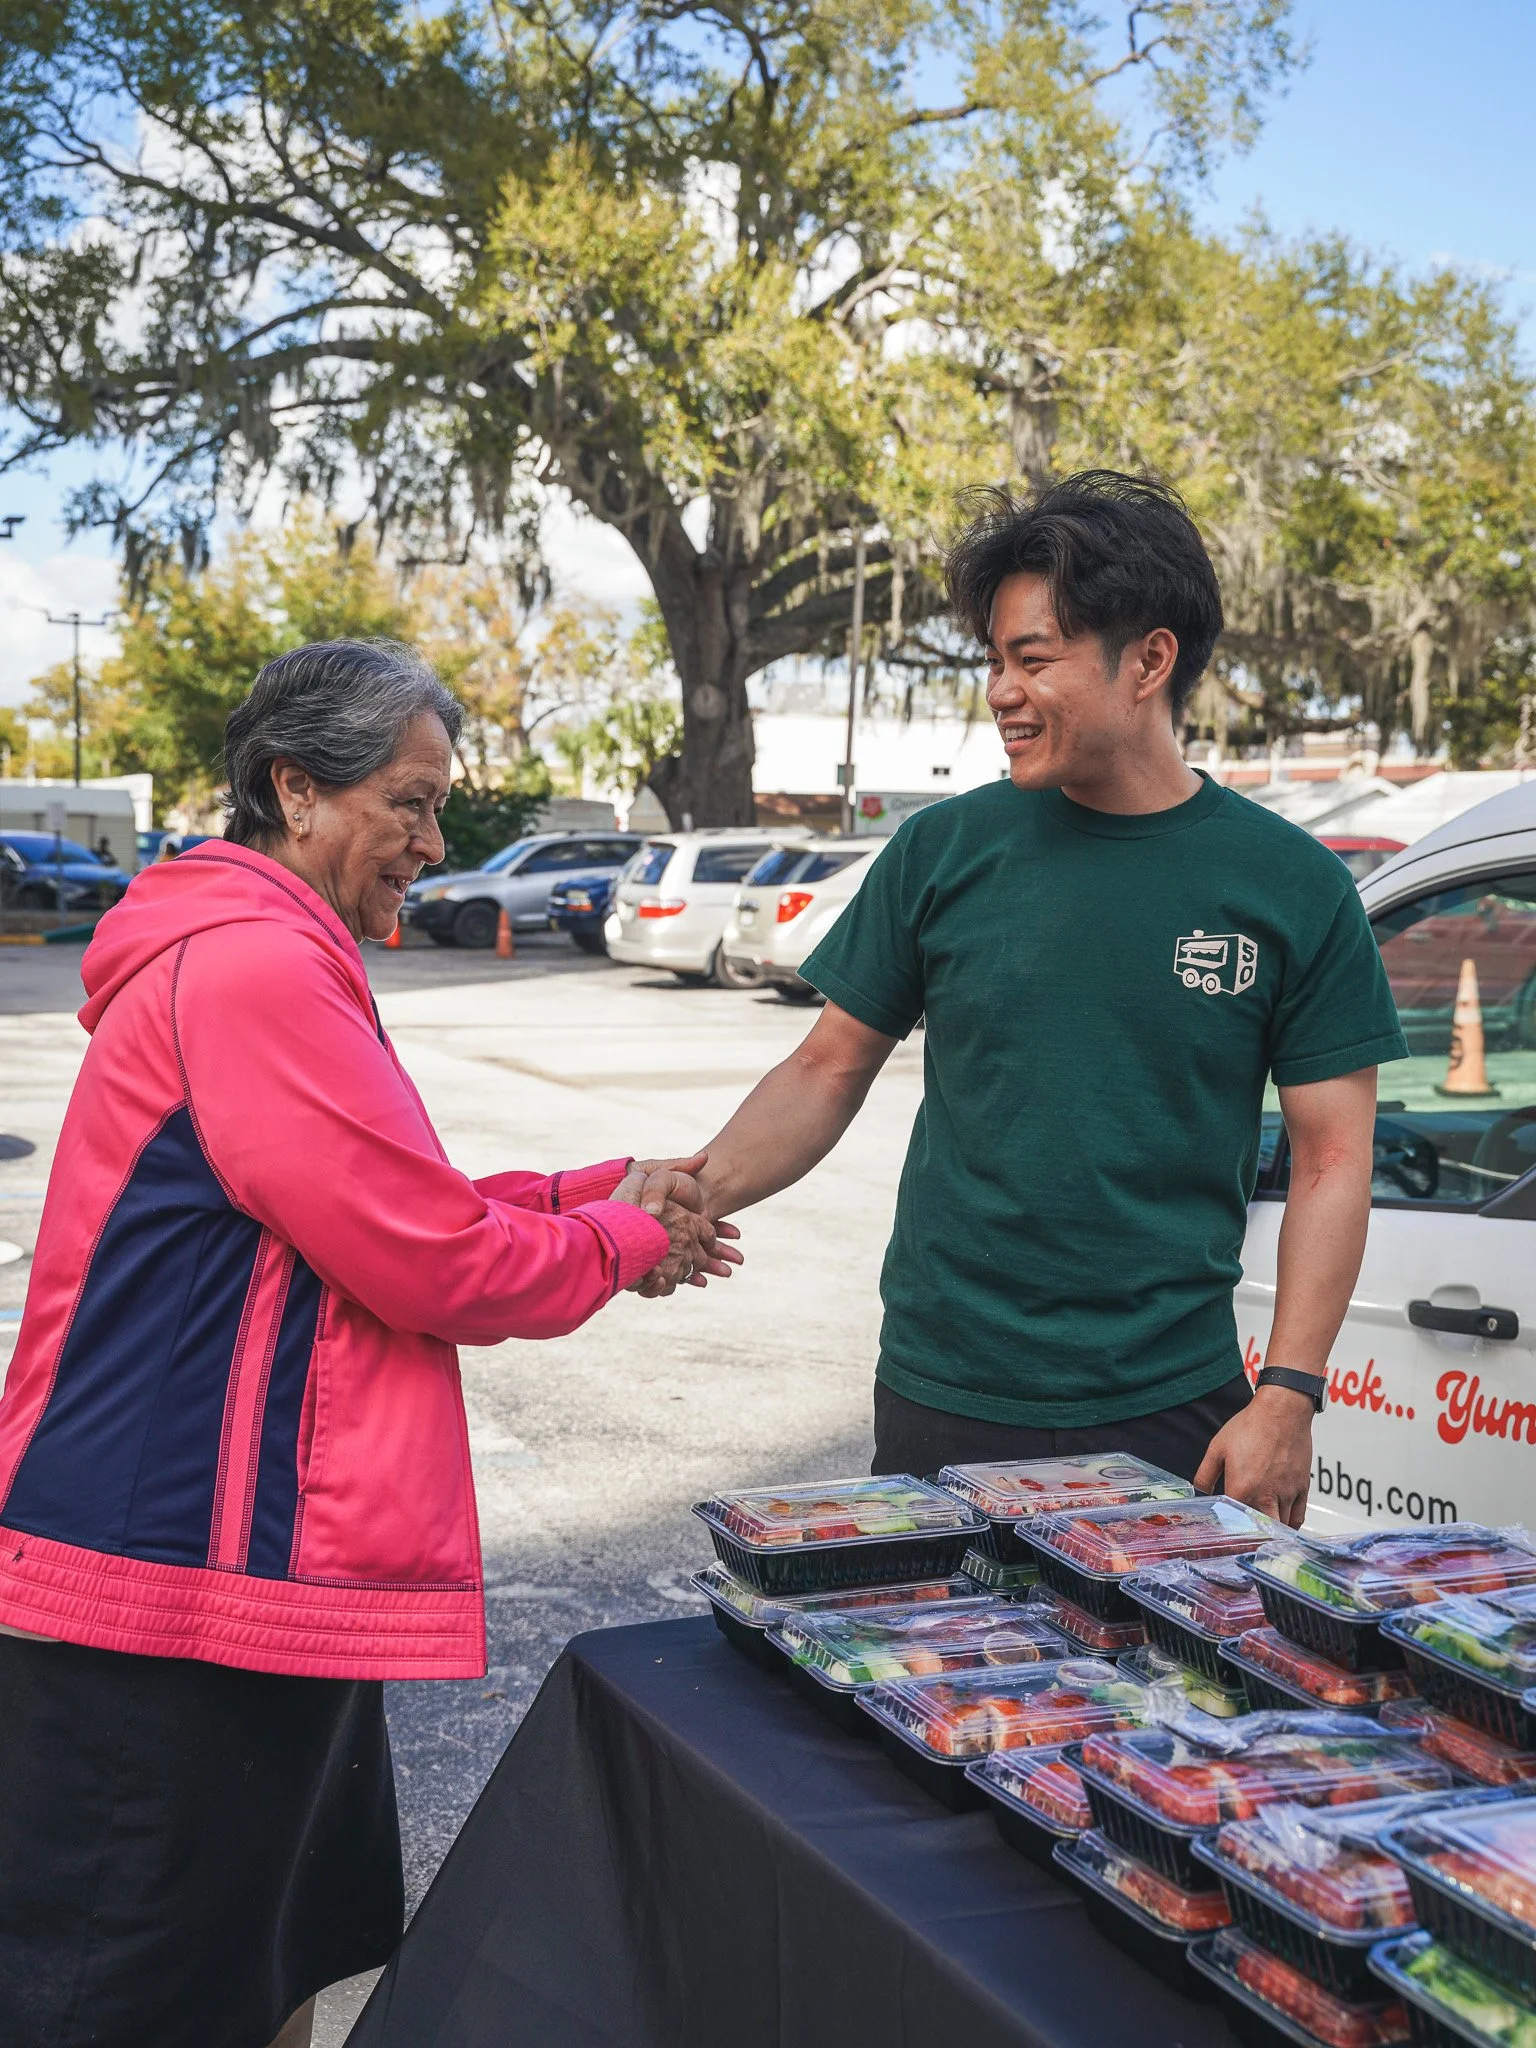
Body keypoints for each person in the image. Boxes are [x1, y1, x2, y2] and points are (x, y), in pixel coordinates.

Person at [0, 640, 737, 2048]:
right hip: (162, 1589)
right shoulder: (252, 966)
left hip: (243, 1583)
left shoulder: (264, 951)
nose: (431, 841)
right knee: (138, 1999)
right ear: (295, 789)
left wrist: (595, 1198)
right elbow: (430, 1259)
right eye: (407, 801)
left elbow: (378, 1205)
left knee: (262, 1973)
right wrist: (627, 1241)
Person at [690, 471, 1405, 1521]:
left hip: (1175, 1404)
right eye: (994, 659)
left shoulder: (1292, 885)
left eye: (1033, 658)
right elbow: (825, 1064)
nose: (1000, 690)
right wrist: (687, 1197)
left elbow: (1334, 1155)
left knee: (1168, 1690)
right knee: (933, 1681)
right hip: (948, 1391)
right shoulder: (943, 849)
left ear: (1150, 660)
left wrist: (1290, 1392)